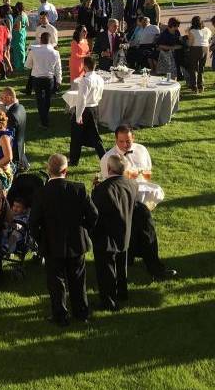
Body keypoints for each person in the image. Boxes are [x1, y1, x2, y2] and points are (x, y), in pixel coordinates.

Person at [29, 154, 98, 325]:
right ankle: (81, 313)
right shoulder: (79, 189)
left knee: (56, 282)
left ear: (48, 170)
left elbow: (33, 222)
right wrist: (85, 229)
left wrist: (41, 238)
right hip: (76, 242)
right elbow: (93, 214)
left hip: (52, 243)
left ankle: (60, 316)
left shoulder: (41, 193)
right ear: (66, 170)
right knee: (78, 279)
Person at [92, 153, 138, 311]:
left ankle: (108, 301)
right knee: (121, 264)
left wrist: (94, 190)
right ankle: (122, 292)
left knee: (106, 270)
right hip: (125, 231)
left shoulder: (103, 189)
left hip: (106, 235)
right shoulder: (132, 184)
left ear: (109, 168)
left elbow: (95, 212)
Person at [100, 124, 165, 207]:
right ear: (116, 140)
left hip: (143, 190)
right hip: (122, 194)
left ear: (133, 138)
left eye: (128, 141)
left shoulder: (142, 150)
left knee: (157, 191)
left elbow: (148, 170)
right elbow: (108, 183)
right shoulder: (107, 158)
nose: (125, 145)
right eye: (121, 141)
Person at [69, 56, 105, 166]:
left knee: (76, 136)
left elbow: (82, 99)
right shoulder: (100, 78)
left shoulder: (85, 80)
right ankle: (104, 158)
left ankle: (74, 160)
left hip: (85, 110)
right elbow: (100, 94)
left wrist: (78, 115)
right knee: (95, 136)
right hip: (94, 108)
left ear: (85, 66)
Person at [25, 32, 61, 128]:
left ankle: (44, 120)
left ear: (41, 40)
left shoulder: (33, 50)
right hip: (49, 78)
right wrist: (59, 80)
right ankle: (44, 118)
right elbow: (58, 68)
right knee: (48, 99)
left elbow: (27, 65)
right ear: (50, 41)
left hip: (37, 78)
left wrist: (35, 64)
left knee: (40, 100)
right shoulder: (55, 52)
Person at [0, 87, 28, 171]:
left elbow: (9, 137)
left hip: (14, 150)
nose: (0, 100)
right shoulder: (21, 107)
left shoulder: (11, 114)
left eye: (2, 98)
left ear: (9, 98)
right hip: (21, 143)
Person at [186, 16, 212, 93]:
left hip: (195, 49)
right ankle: (201, 86)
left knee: (193, 68)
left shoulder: (192, 31)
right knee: (201, 68)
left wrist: (186, 39)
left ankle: (194, 87)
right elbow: (209, 38)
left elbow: (190, 43)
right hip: (205, 48)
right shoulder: (207, 29)